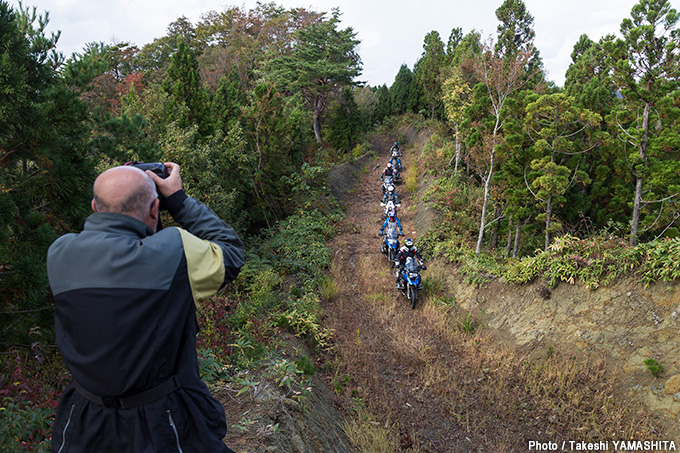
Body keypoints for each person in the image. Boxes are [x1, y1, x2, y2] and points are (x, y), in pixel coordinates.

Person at [47, 163, 245, 453]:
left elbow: (106, 250)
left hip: (82, 421)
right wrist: (177, 199)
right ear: (155, 208)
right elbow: (230, 251)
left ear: (94, 207)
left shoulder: (59, 252)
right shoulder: (175, 251)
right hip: (161, 422)